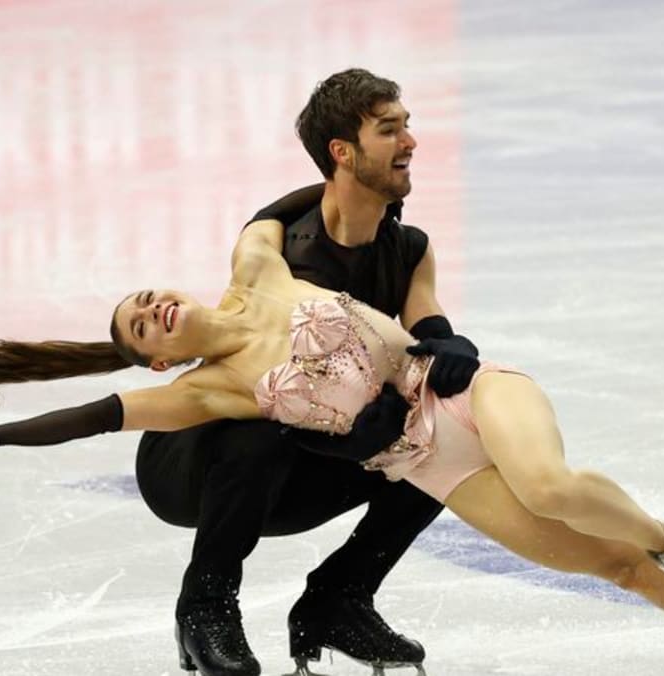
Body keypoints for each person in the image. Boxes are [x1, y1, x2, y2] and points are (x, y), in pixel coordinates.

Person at [0, 216, 664, 676]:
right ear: (156, 353)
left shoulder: (255, 263)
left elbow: (327, 177)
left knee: (552, 485)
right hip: (432, 462)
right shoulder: (205, 393)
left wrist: (430, 317)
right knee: (610, 569)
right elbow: (96, 417)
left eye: (147, 295)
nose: (154, 308)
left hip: (466, 390)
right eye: (142, 326)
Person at [126, 69, 479, 676]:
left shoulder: (411, 249)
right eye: (390, 130)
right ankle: (205, 605)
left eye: (407, 126)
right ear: (342, 153)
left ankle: (338, 599)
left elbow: (428, 326)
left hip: (298, 468)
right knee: (257, 431)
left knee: (443, 439)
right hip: (201, 453)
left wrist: (454, 350)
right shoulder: (290, 250)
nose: (411, 142)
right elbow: (269, 397)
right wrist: (344, 441)